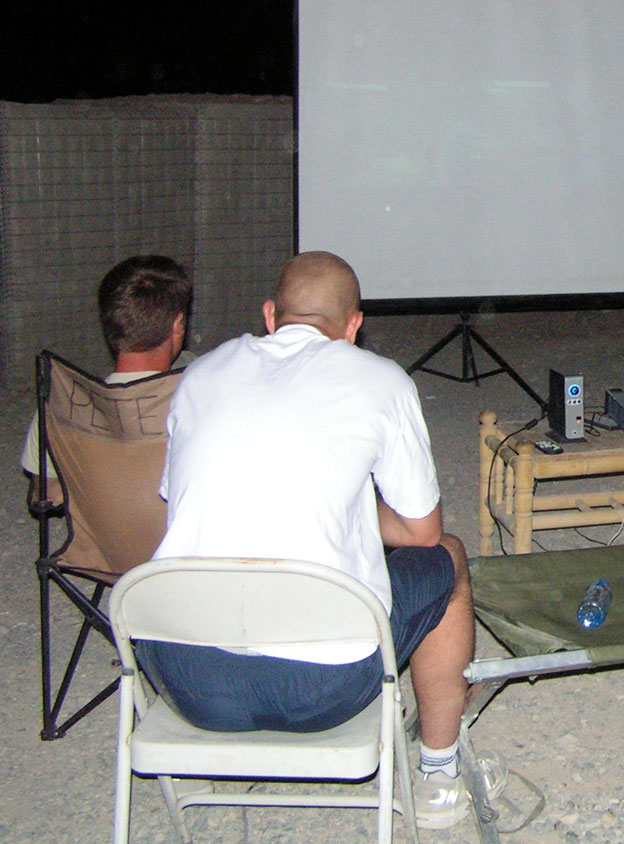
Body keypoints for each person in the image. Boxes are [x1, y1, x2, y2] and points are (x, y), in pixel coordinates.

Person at [138, 252, 496, 830]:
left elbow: (182, 501)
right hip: (323, 688)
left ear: (270, 315)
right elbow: (420, 531)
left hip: (188, 680)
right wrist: (349, 509)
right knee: (447, 556)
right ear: (354, 325)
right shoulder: (381, 380)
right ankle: (438, 771)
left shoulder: (200, 375)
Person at [20, 255, 193, 504]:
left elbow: (47, 494)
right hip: (180, 541)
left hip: (98, 543)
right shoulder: (201, 400)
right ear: (177, 324)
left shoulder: (58, 404)